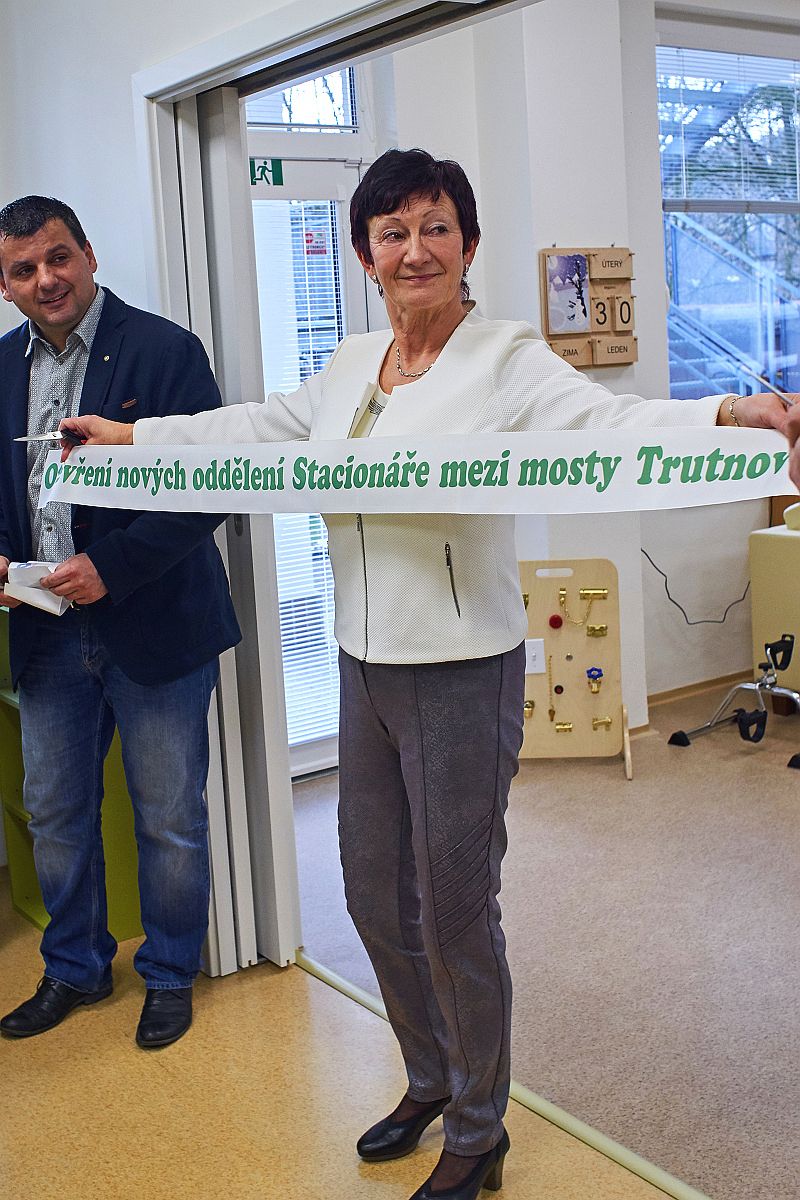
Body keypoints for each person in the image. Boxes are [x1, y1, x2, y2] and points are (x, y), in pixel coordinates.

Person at [61, 150, 792, 1198]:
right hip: (362, 665)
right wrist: (133, 437)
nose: (415, 249)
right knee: (370, 894)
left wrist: (725, 417)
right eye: (392, 232)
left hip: (461, 670)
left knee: (455, 910)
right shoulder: (352, 363)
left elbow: (611, 421)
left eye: (435, 227)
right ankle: (432, 1077)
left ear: (467, 245)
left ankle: (479, 1130)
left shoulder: (505, 357)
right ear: (365, 256)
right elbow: (254, 430)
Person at [0, 196, 240, 1050]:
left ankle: (169, 974)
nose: (46, 279)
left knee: (167, 816)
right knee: (54, 814)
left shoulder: (165, 350)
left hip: (155, 623)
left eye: (58, 256)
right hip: (45, 631)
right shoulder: (1, 367)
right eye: (24, 269)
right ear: (5, 285)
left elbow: (211, 484)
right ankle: (74, 967)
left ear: (89, 255)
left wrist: (112, 566)